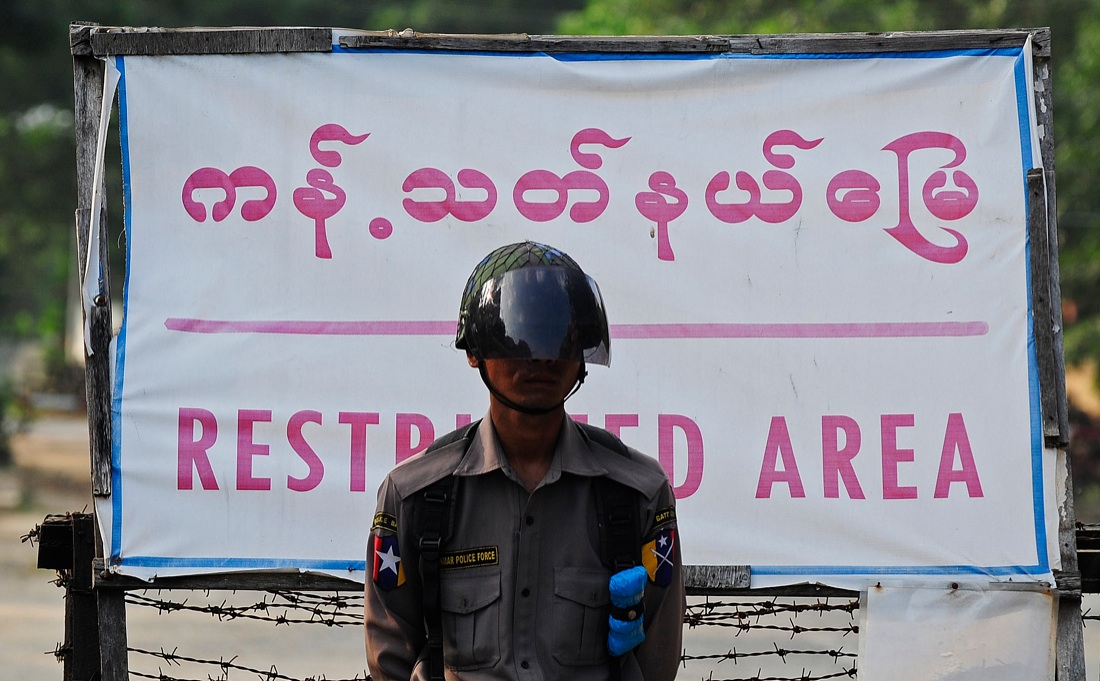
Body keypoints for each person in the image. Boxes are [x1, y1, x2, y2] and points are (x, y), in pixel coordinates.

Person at [365, 241, 685, 681]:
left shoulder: (637, 494)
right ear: (474, 351)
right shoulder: (416, 496)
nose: (541, 356)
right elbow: (390, 662)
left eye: (559, 336)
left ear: (581, 355)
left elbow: (655, 666)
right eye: (518, 335)